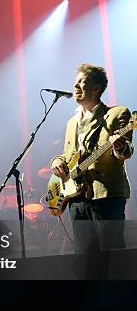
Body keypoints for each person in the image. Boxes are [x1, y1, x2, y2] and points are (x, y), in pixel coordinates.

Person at [50, 63, 133, 254]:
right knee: (84, 256)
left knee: (112, 256)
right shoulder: (72, 122)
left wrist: (119, 146)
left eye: (82, 82)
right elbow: (68, 155)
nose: (75, 87)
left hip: (106, 195)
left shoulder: (117, 114)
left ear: (96, 89)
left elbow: (126, 152)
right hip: (77, 198)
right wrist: (56, 161)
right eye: (75, 83)